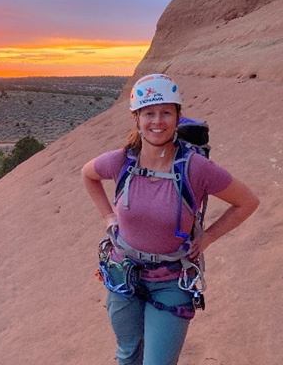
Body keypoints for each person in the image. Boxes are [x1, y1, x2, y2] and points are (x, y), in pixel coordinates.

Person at [81, 73, 259, 365]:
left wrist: (209, 237)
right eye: (149, 113)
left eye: (166, 112)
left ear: (178, 116)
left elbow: (247, 202)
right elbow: (88, 175)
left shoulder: (196, 168)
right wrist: (107, 216)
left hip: (172, 280)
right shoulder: (120, 161)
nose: (157, 121)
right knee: (127, 355)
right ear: (136, 118)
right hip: (123, 272)